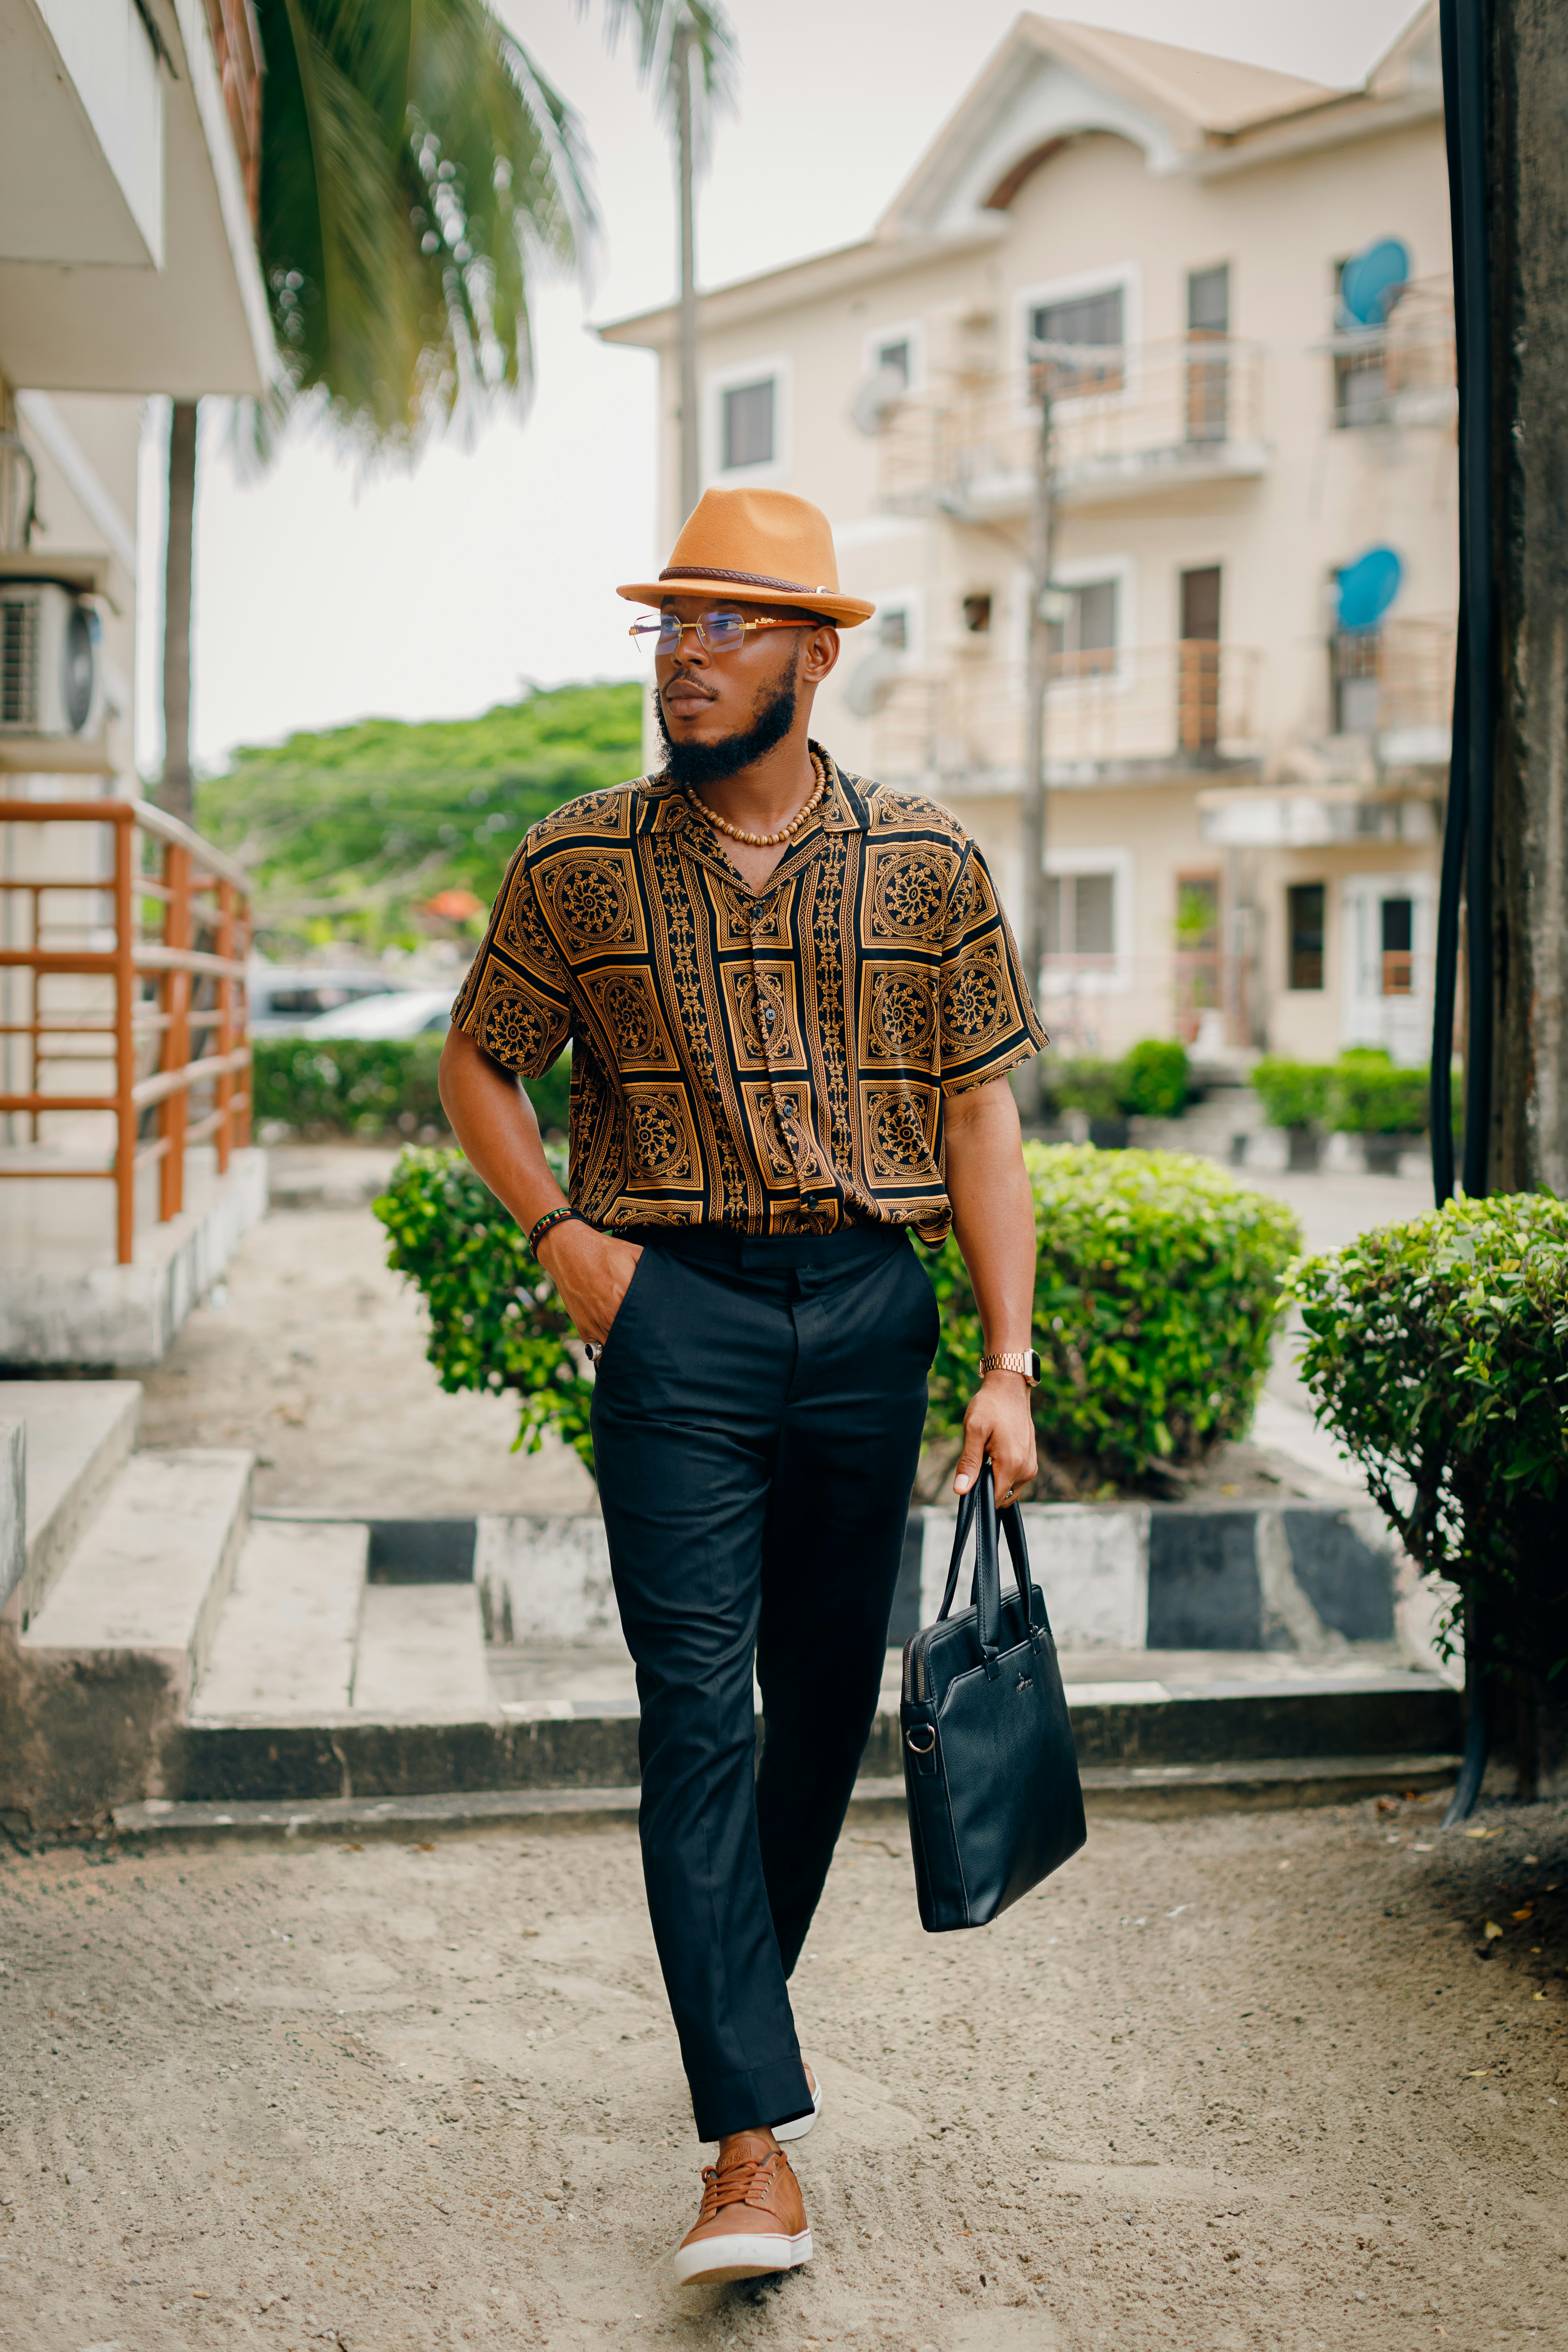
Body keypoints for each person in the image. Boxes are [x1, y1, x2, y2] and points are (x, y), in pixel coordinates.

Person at [439, 485, 1045, 2287]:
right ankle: (748, 2146)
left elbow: (977, 1116)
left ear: (815, 652)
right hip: (675, 1316)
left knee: (813, 1711)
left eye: (723, 623)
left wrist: (1009, 1364)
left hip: (869, 1312)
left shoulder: (928, 864)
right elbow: (478, 1070)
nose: (684, 653)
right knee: (698, 1712)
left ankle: (730, 2016)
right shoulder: (578, 860)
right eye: (669, 624)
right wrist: (565, 1237)